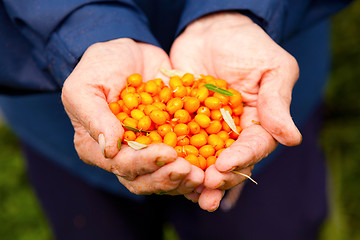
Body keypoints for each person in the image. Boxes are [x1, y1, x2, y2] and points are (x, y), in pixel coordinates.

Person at [0, 0, 353, 239]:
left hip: (260, 70)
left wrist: (236, 8)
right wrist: (84, 26)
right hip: (60, 97)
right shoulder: (142, 103)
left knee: (272, 226)